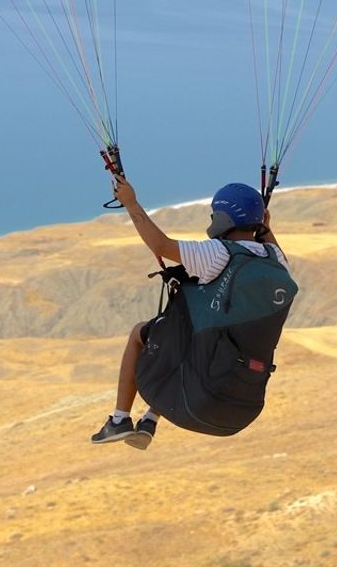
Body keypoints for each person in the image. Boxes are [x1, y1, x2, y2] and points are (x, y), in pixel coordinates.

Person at [90, 176, 289, 449]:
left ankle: (119, 420)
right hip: (241, 401)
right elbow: (273, 249)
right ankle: (149, 419)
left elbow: (160, 245)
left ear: (223, 217)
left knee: (141, 333)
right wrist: (264, 229)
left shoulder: (217, 253)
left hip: (200, 396)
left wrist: (130, 202)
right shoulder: (276, 260)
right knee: (183, 333)